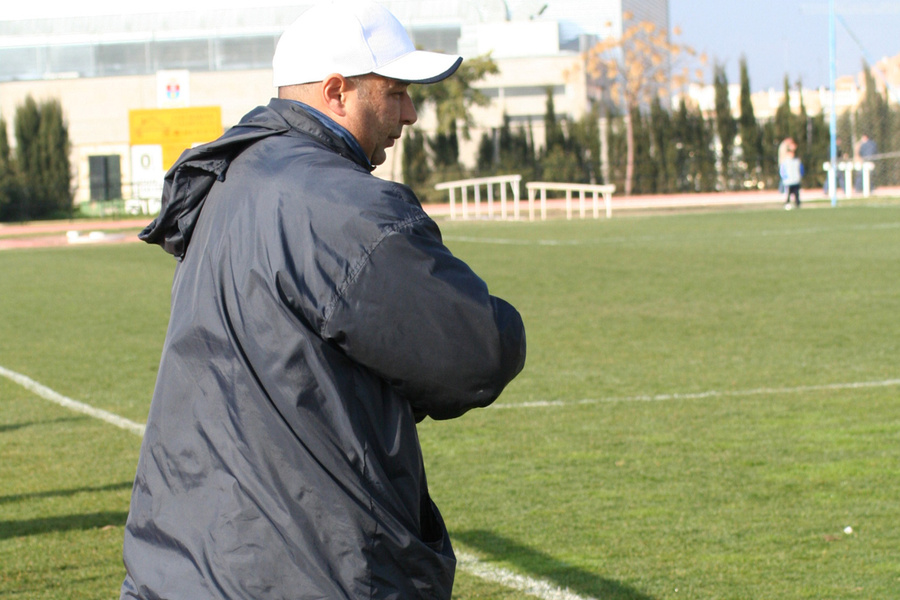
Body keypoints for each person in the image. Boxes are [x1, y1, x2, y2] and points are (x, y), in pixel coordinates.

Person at [120, 1, 527, 598]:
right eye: (396, 91)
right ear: (338, 91)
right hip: (304, 566)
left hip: (190, 560)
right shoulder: (343, 205)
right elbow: (477, 351)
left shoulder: (233, 179)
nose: (410, 113)